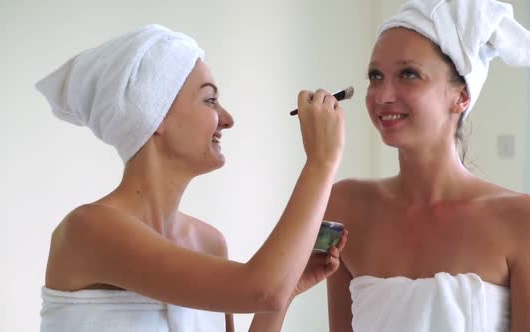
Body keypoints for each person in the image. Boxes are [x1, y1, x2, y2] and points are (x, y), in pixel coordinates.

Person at [35, 24, 347, 332]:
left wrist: (288, 289)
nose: (227, 120)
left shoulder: (209, 243)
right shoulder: (87, 230)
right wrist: (322, 159)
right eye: (210, 100)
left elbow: (266, 291)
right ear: (153, 114)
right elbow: (262, 289)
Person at [325, 0, 530, 331]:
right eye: (376, 76)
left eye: (408, 74)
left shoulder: (525, 222)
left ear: (461, 95)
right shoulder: (346, 206)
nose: (382, 95)